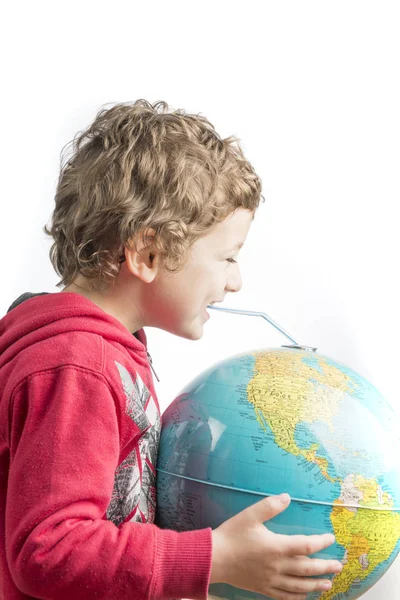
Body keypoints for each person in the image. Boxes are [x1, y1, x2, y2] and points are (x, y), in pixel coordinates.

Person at [0, 100, 343, 600]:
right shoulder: (79, 365)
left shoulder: (105, 351)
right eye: (226, 257)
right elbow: (50, 551)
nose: (235, 281)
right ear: (147, 253)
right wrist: (213, 558)